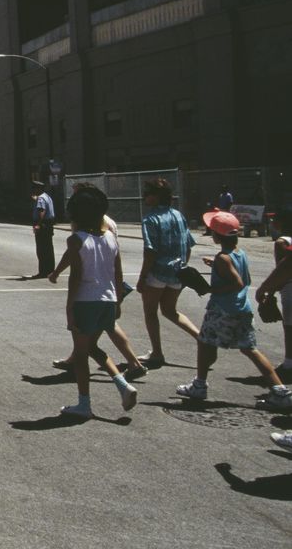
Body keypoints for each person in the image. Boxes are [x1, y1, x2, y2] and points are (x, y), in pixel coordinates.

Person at [175, 210, 291, 409]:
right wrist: (216, 266)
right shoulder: (239, 253)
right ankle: (280, 391)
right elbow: (243, 278)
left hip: (222, 310)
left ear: (217, 236)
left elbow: (236, 283)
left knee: (204, 343)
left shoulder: (223, 258)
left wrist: (210, 288)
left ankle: (199, 385)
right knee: (250, 349)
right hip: (241, 309)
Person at [51, 186, 139, 418]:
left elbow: (76, 278)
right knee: (91, 347)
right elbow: (117, 273)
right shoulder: (110, 237)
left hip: (85, 300)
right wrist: (118, 301)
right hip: (107, 299)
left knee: (81, 356)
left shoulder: (76, 240)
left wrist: (69, 309)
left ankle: (84, 404)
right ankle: (122, 384)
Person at [135, 178, 200, 369]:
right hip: (178, 272)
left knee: (150, 312)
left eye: (147, 193)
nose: (144, 196)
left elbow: (150, 251)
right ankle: (201, 338)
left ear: (155, 197)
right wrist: (183, 265)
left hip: (157, 272)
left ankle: (157, 352)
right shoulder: (178, 215)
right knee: (171, 311)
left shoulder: (150, 219)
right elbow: (188, 245)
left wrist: (142, 277)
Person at [253, 212, 291, 376]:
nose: (272, 221)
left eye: (275, 218)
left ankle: (289, 363)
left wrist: (266, 289)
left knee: (289, 327)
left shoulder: (282, 242)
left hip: (289, 288)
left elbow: (282, 269)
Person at [29, 181, 56, 279]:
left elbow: (41, 211)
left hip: (43, 225)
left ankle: (43, 272)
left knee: (41, 249)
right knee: (48, 248)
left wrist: (38, 225)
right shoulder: (46, 196)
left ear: (38, 189)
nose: (33, 190)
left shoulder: (41, 198)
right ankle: (50, 270)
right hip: (48, 225)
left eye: (34, 188)